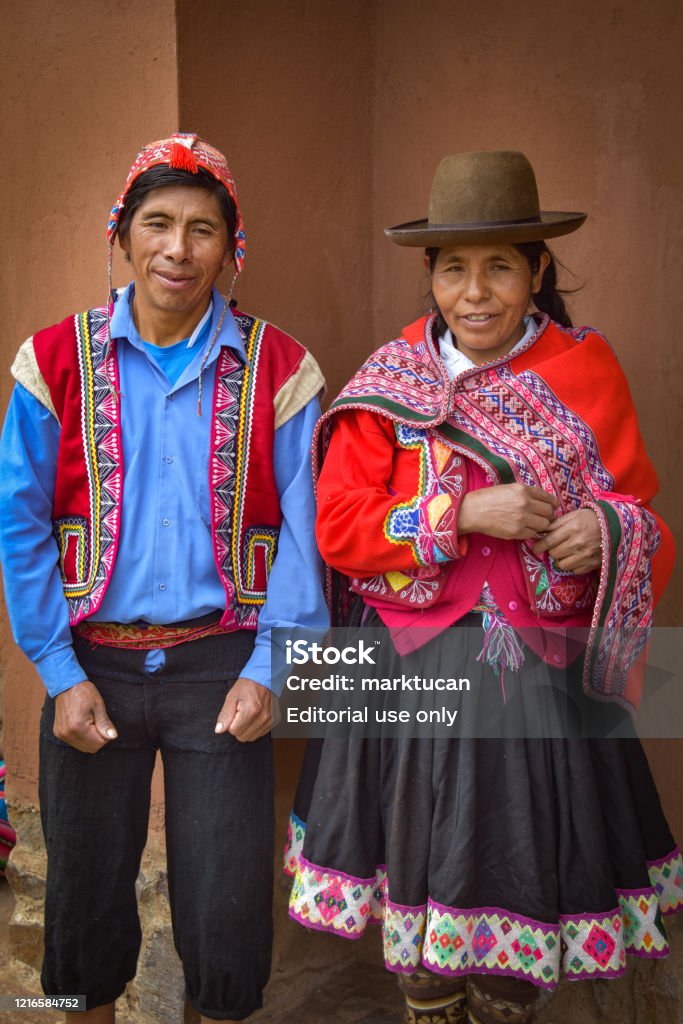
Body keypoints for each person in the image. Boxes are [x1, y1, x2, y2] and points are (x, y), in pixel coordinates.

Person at [285, 151, 681, 1024]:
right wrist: (460, 513)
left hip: (538, 681)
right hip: (405, 671)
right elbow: (340, 526)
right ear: (429, 276)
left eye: (500, 266)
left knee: (517, 916)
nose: (476, 292)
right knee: (420, 924)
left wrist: (605, 530)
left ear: (537, 272)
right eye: (455, 268)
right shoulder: (389, 384)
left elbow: (641, 515)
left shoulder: (585, 371)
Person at [0, 133, 328, 1023]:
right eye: (157, 223)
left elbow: (305, 535)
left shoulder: (281, 370)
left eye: (201, 229)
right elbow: (21, 522)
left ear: (232, 247)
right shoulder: (52, 362)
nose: (177, 249)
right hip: (90, 668)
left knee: (225, 912)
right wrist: (58, 675)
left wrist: (271, 670)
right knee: (80, 901)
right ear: (123, 234)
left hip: (223, 669)